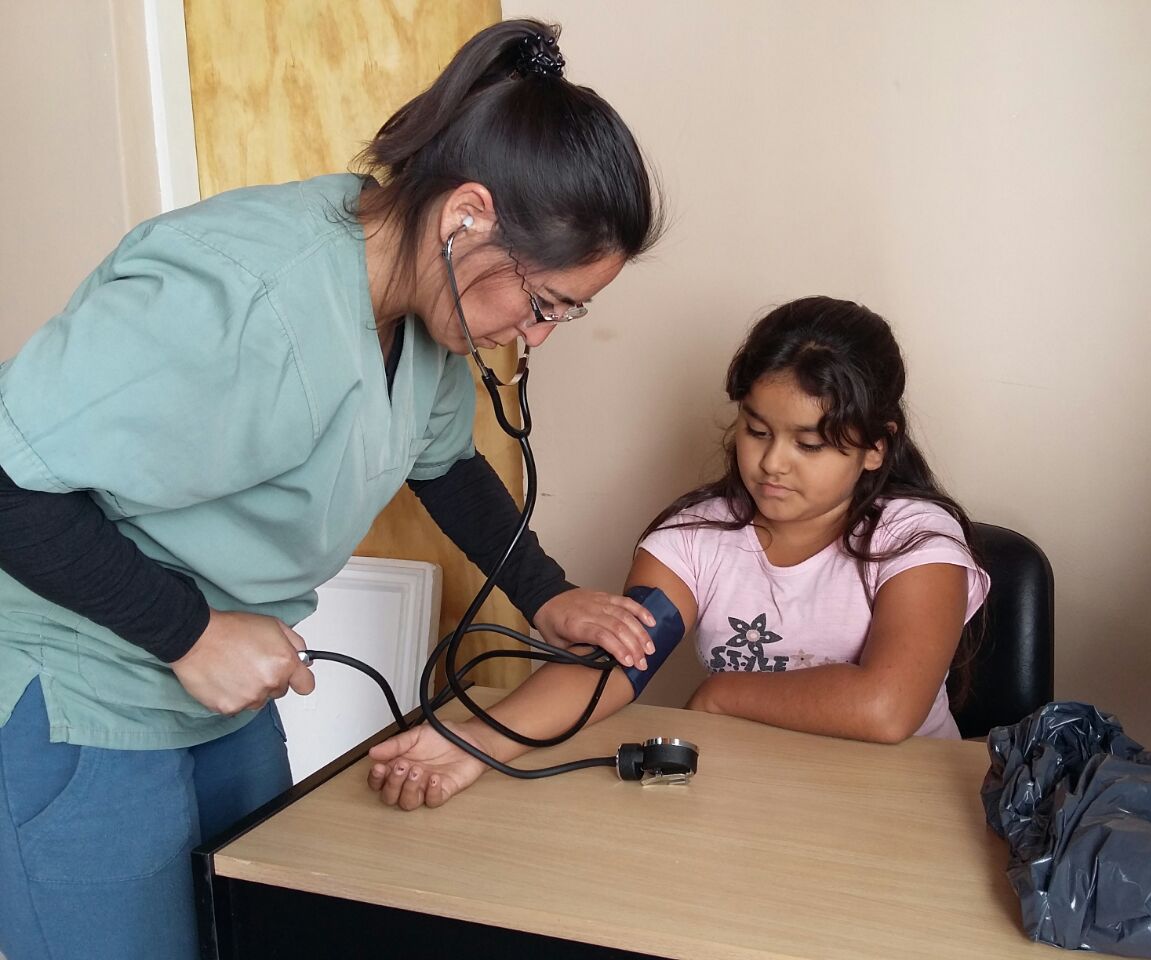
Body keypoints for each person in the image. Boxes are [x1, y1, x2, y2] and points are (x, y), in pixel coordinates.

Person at [0, 19, 662, 960]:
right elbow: (8, 480)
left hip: (215, 693)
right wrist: (189, 633)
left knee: (271, 919)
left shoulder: (417, 312)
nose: (536, 335)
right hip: (80, 684)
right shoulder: (237, 292)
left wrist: (547, 597)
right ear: (467, 213)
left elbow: (444, 464)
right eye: (544, 301)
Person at [368, 296, 991, 811]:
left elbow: (887, 707)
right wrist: (477, 740)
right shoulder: (695, 539)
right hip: (753, 797)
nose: (773, 462)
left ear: (877, 448)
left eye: (810, 443)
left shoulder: (915, 539)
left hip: (904, 802)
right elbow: (612, 666)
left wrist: (725, 694)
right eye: (756, 431)